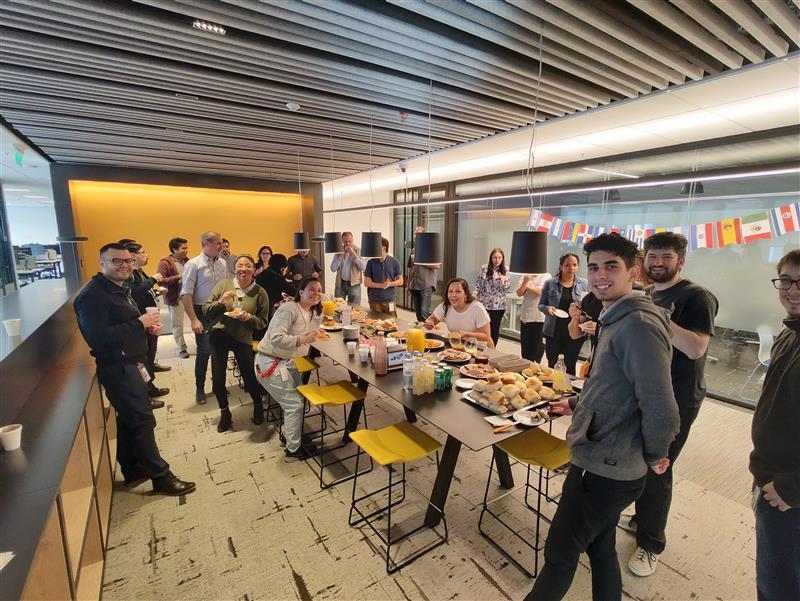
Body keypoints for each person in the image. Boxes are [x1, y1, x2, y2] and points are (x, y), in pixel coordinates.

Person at [525, 233, 679, 601]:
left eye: (611, 266)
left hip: (605, 468)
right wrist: (579, 406)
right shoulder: (614, 316)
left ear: (634, 272)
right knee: (600, 548)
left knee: (560, 555)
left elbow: (661, 406)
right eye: (593, 267)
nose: (599, 275)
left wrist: (655, 454)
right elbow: (615, 386)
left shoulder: (638, 325)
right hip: (604, 458)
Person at [618, 232, 719, 577]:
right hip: (645, 391)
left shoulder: (696, 297)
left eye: (666, 257)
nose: (658, 263)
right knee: (641, 459)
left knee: (659, 468)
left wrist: (658, 316)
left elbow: (695, 348)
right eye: (652, 256)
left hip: (677, 398)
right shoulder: (646, 293)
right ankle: (640, 518)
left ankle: (651, 544)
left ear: (681, 261)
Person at [74, 243, 195, 496]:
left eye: (128, 261)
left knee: (130, 420)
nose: (125, 265)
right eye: (117, 261)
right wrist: (139, 324)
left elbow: (124, 324)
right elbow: (97, 338)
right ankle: (161, 477)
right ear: (102, 263)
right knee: (142, 419)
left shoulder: (121, 287)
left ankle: (132, 469)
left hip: (132, 361)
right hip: (118, 367)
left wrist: (145, 327)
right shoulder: (92, 296)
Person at [750, 249, 800, 601]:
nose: (793, 290)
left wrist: (794, 487)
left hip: (790, 493)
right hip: (770, 477)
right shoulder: (789, 331)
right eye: (786, 280)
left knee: (779, 586)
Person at [255, 277, 323, 460]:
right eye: (312, 289)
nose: (317, 293)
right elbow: (276, 338)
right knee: (294, 404)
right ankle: (293, 449)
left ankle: (290, 435)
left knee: (299, 398)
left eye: (319, 290)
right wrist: (302, 339)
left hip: (286, 362)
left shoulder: (309, 311)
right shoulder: (288, 309)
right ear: (300, 292)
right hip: (270, 362)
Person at [203, 255, 270, 432]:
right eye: (240, 265)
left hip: (242, 336)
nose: (243, 269)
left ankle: (257, 405)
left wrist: (249, 318)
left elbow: (263, 322)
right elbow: (206, 310)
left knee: (249, 376)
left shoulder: (260, 292)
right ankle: (225, 413)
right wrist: (220, 302)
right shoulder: (224, 285)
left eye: (248, 266)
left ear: (254, 269)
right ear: (235, 268)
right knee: (218, 379)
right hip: (220, 334)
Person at [181, 231, 228, 404]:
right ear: (206, 244)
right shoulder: (193, 264)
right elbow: (186, 293)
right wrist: (194, 319)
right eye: (218, 243)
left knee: (219, 350)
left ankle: (217, 385)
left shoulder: (222, 263)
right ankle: (199, 388)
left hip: (220, 311)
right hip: (202, 312)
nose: (221, 246)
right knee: (204, 351)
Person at [122, 242, 169, 408]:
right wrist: (153, 280)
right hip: (141, 321)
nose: (146, 254)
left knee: (149, 355)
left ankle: (150, 387)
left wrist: (156, 291)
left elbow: (143, 293)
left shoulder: (138, 272)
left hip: (149, 318)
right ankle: (145, 395)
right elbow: (134, 293)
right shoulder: (129, 276)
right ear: (133, 256)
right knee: (143, 359)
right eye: (142, 252)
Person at [539, 253, 589, 373]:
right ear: (561, 266)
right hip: (554, 331)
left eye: (574, 265)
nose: (571, 268)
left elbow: (589, 308)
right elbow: (541, 305)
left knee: (570, 364)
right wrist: (548, 309)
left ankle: (568, 390)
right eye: (567, 265)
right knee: (553, 364)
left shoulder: (584, 284)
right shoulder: (550, 283)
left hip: (574, 332)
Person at [424, 278, 493, 346]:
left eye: (458, 291)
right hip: (457, 345)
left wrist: (466, 334)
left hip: (479, 348)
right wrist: (429, 322)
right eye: (450, 291)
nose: (453, 295)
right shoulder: (445, 306)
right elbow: (433, 319)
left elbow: (486, 336)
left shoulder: (477, 308)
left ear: (466, 294)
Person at [158, 237, 190, 359]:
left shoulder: (188, 261)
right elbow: (161, 281)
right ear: (174, 249)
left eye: (187, 247)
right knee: (178, 324)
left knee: (198, 320)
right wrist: (178, 277)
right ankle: (181, 349)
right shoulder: (165, 263)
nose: (186, 250)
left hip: (189, 297)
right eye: (184, 248)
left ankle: (203, 345)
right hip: (175, 298)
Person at [474, 247, 510, 346]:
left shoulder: (506, 270)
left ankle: (492, 349)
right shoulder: (484, 268)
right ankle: (480, 347)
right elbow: (478, 284)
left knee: (494, 328)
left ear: (502, 258)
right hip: (484, 303)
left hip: (498, 305)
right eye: (494, 257)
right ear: (491, 258)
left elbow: (507, 289)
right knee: (482, 327)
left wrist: (504, 281)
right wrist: (473, 297)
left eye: (499, 257)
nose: (497, 260)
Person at [516, 271, 551, 363]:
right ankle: (525, 368)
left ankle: (535, 369)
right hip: (525, 316)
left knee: (537, 349)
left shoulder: (546, 276)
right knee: (525, 348)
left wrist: (526, 285)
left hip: (539, 317)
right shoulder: (526, 275)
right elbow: (519, 293)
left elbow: (540, 292)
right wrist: (525, 282)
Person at [407, 225, 440, 321]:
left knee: (424, 312)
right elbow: (410, 268)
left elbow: (437, 266)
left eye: (417, 233)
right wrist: (408, 284)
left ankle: (427, 333)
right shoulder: (413, 250)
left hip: (426, 285)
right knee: (418, 314)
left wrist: (419, 260)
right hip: (414, 285)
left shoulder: (430, 249)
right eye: (414, 233)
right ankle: (420, 333)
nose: (415, 236)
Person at [363, 237, 403, 315]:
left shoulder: (395, 262)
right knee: (375, 323)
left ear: (384, 247)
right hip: (374, 300)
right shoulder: (370, 262)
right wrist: (382, 285)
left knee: (392, 322)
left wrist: (389, 284)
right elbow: (366, 283)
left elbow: (401, 281)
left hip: (390, 300)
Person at [255, 253, 297, 321]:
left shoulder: (263, 273)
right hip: (265, 313)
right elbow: (295, 292)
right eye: (285, 270)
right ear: (282, 269)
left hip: (256, 311)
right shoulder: (277, 277)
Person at [330, 230, 367, 305]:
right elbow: (333, 269)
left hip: (354, 284)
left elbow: (364, 267)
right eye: (345, 242)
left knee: (354, 308)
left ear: (353, 240)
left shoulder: (358, 251)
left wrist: (354, 255)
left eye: (350, 241)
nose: (348, 244)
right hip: (341, 283)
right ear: (342, 241)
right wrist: (340, 257)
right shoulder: (339, 251)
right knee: (338, 306)